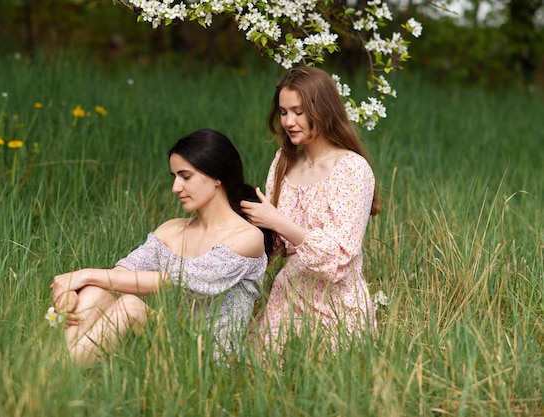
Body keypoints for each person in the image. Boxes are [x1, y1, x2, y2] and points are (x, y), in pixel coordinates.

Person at [51, 129, 270, 365]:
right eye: (174, 176)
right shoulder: (172, 230)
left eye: (185, 176)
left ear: (218, 177)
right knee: (97, 290)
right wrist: (71, 290)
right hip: (173, 342)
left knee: (130, 306)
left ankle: (52, 374)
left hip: (211, 356)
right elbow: (121, 275)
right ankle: (57, 371)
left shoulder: (247, 238)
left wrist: (83, 274)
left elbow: (171, 281)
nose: (176, 187)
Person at [240, 66, 380, 350]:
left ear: (323, 109)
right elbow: (275, 247)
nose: (289, 121)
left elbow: (339, 259)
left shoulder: (352, 168)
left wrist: (277, 221)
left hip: (337, 306)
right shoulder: (283, 161)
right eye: (283, 112)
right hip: (287, 297)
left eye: (298, 111)